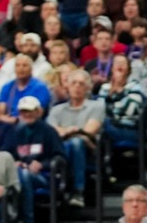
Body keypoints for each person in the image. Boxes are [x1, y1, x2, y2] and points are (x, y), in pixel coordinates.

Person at [46, 73, 102, 206]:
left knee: (75, 143)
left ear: (88, 88)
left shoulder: (97, 106)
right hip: (61, 149)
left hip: (89, 150)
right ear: (67, 87)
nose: (77, 87)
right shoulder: (56, 110)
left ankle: (78, 191)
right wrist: (71, 131)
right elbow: (51, 133)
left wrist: (64, 132)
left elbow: (89, 131)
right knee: (69, 145)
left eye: (81, 84)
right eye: (73, 83)